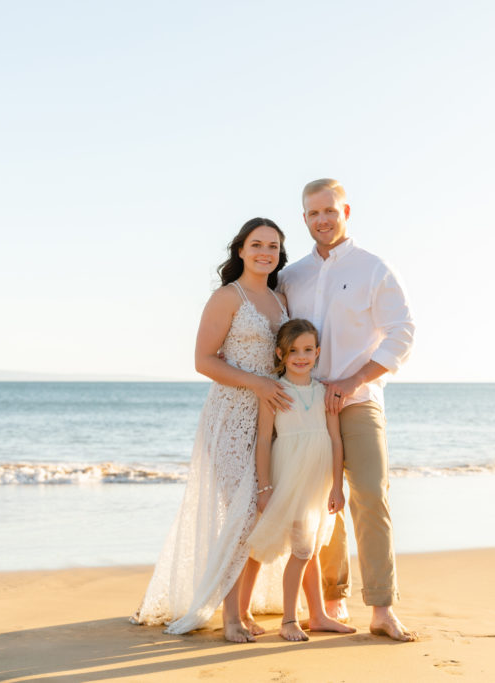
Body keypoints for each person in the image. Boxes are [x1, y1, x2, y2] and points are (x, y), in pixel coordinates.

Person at [130, 218, 294, 643]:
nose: (265, 252)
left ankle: (243, 607)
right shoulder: (227, 297)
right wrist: (257, 383)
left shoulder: (281, 298)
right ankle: (230, 616)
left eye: (273, 246)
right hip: (232, 415)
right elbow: (203, 361)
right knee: (239, 513)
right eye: (256, 244)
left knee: (262, 512)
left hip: (275, 418)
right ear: (240, 250)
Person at [277, 179, 417, 641]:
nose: (322, 220)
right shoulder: (291, 276)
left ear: (346, 211)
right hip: (305, 406)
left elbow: (402, 331)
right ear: (303, 218)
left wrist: (355, 380)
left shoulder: (373, 269)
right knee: (320, 504)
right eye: (313, 213)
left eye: (330, 211)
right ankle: (330, 601)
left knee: (371, 493)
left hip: (357, 400)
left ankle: (381, 607)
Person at [246, 319, 358, 641]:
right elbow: (264, 440)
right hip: (289, 477)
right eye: (293, 350)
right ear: (281, 353)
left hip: (317, 481)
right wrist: (264, 486)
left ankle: (319, 614)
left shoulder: (325, 392)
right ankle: (289, 620)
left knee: (308, 547)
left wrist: (337, 485)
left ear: (318, 352)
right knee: (302, 550)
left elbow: (336, 441)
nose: (301, 356)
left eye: (308, 350)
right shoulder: (275, 391)